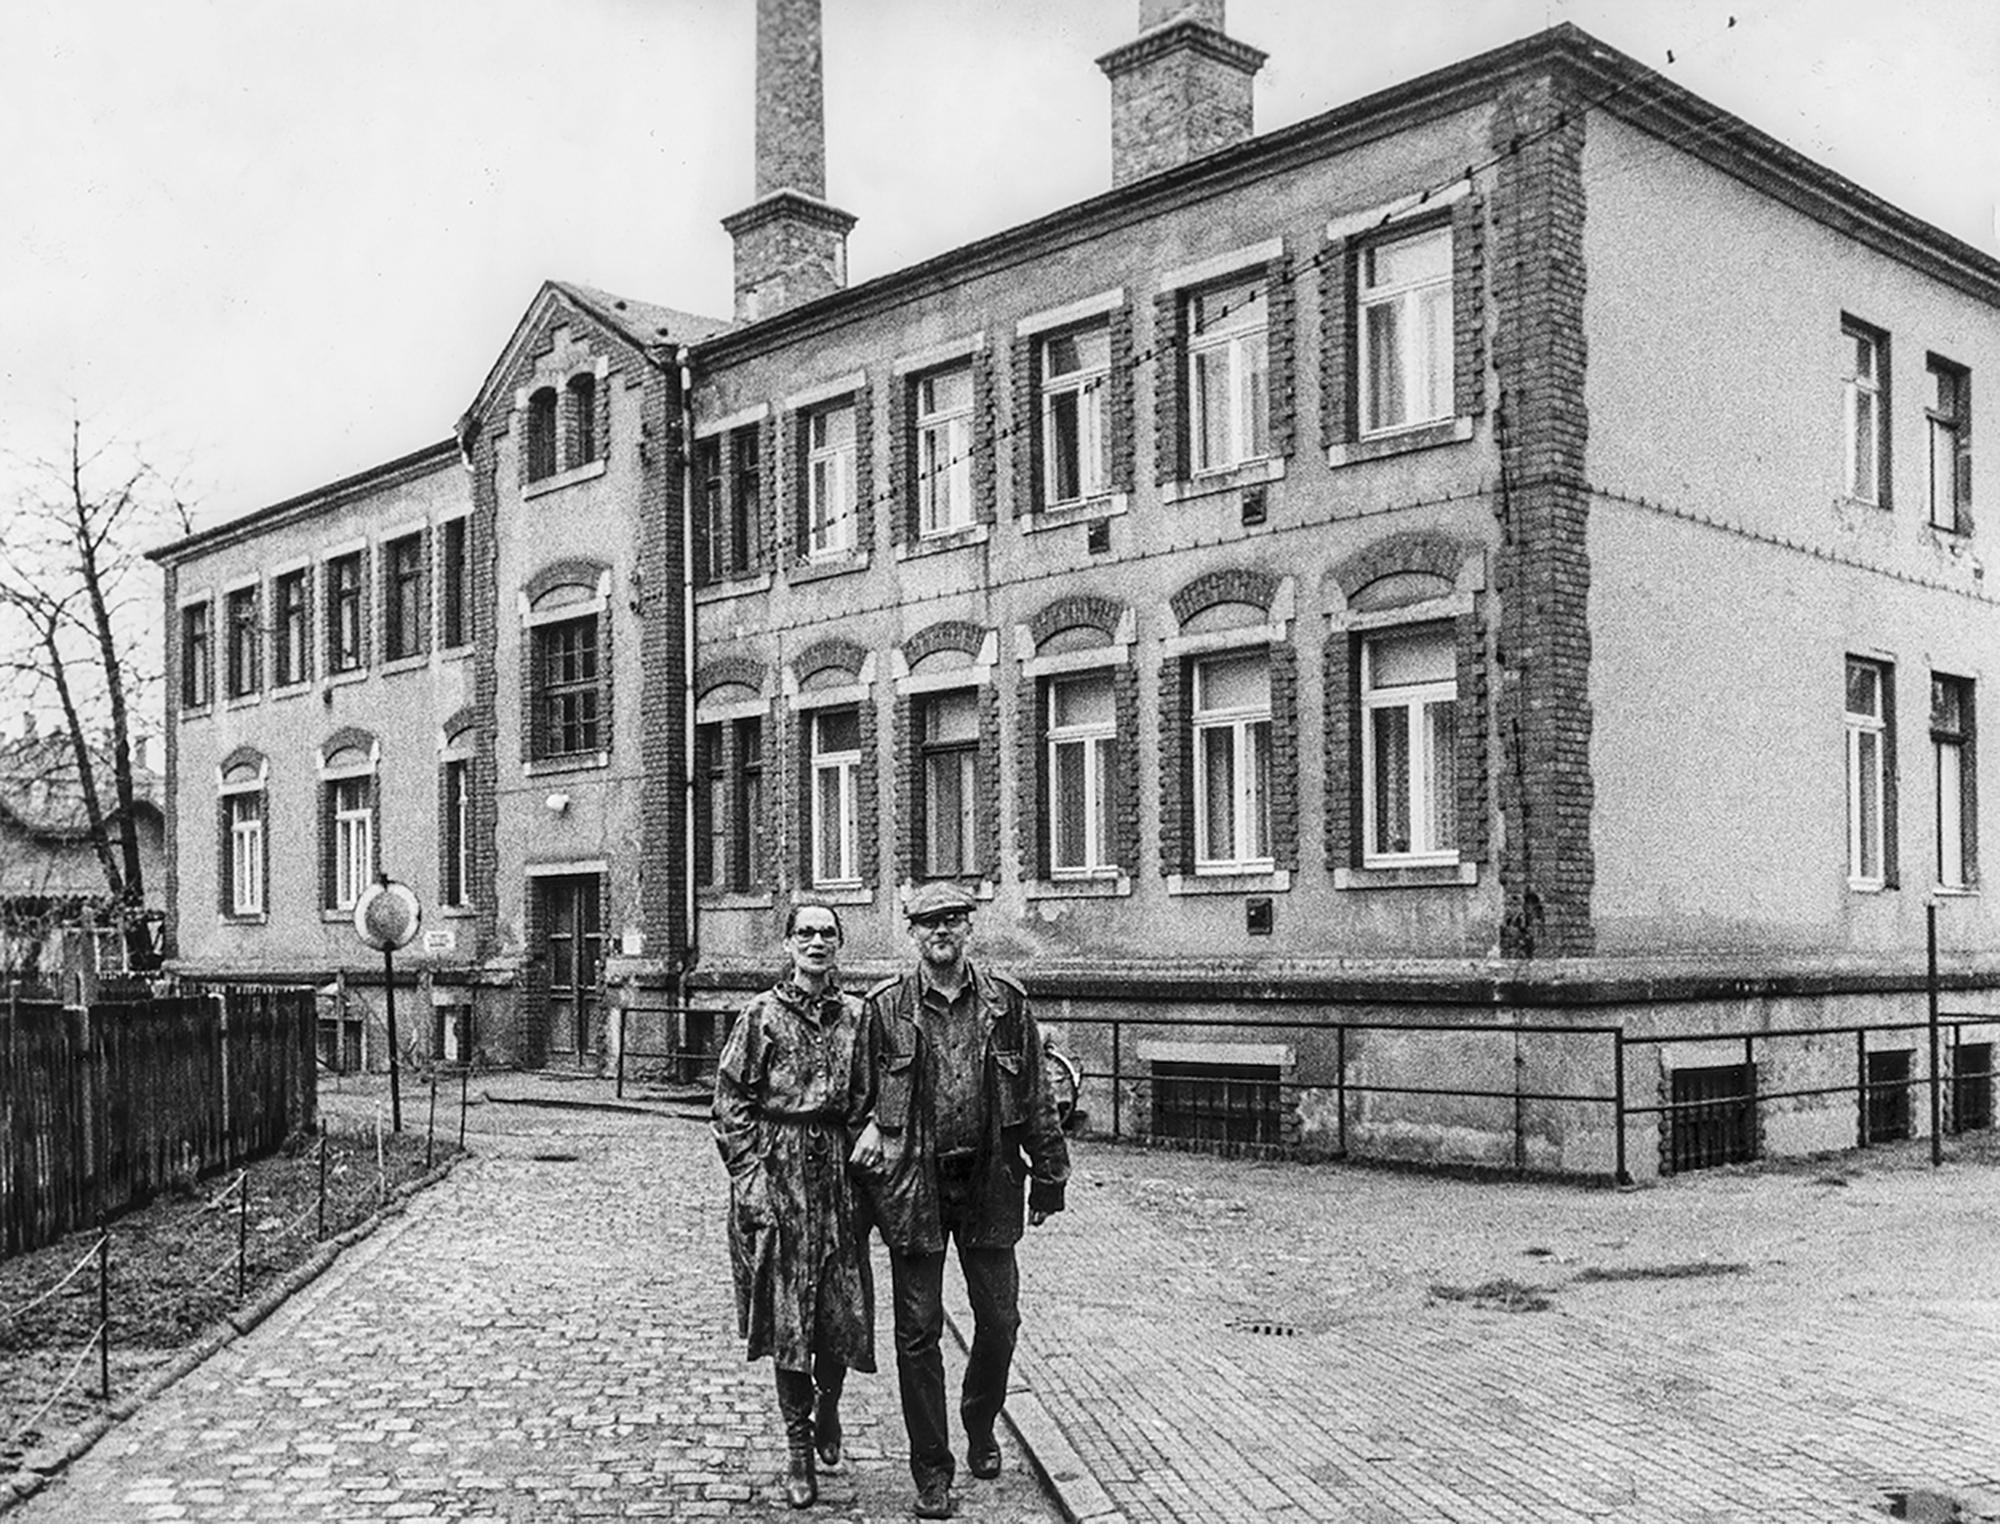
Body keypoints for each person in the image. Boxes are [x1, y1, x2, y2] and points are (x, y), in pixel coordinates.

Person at [849, 881, 1070, 1521]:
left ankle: (979, 1419)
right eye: (929, 922)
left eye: (952, 920)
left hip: (989, 1183)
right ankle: (932, 1469)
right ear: (913, 933)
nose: (941, 931)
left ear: (969, 928)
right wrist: (870, 1162)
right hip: (914, 1189)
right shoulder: (885, 1010)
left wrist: (1049, 1175)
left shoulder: (1007, 1003)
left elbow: (1036, 1096)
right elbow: (859, 1105)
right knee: (917, 1333)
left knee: (999, 1322)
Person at [713, 904, 875, 1510]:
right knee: (788, 1321)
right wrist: (750, 1181)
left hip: (838, 1177)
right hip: (778, 1174)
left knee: (838, 1314)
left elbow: (875, 1095)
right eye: (804, 932)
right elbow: (731, 1104)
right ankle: (798, 1448)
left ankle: (828, 1404)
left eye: (827, 933)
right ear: (788, 944)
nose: (816, 942)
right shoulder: (761, 1015)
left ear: (839, 944)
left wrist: (873, 1131)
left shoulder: (858, 1016)